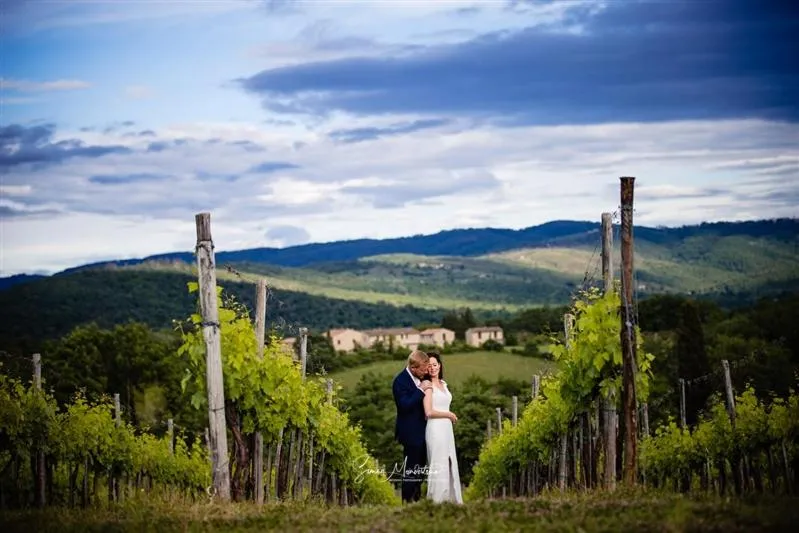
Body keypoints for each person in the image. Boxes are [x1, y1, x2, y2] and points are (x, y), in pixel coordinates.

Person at [422, 352, 463, 504]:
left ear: (439, 365)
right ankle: (437, 500)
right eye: (429, 366)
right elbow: (428, 412)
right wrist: (449, 415)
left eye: (434, 364)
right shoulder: (427, 386)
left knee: (450, 461)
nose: (432, 368)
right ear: (425, 369)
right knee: (438, 462)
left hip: (446, 430)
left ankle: (452, 499)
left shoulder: (444, 384)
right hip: (435, 429)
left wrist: (448, 417)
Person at [392, 350, 431, 503]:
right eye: (423, 369)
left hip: (425, 432)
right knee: (411, 469)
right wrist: (421, 389)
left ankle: (417, 499)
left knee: (420, 469)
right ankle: (407, 502)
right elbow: (404, 405)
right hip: (410, 433)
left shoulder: (422, 375)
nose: (426, 372)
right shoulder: (399, 382)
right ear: (413, 368)